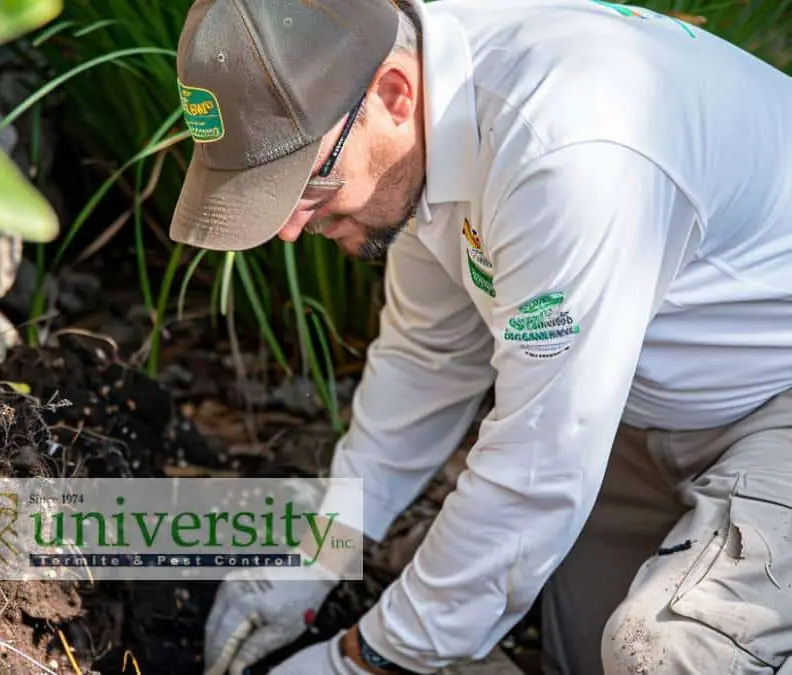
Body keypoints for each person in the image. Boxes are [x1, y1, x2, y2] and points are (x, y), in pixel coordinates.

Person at [168, 0, 792, 673]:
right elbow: (427, 353)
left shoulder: (567, 148)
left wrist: (366, 657)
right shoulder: (432, 113)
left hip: (775, 398)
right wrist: (327, 541)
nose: (289, 227)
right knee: (580, 657)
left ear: (394, 95)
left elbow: (540, 461)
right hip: (640, 408)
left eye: (309, 181)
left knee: (668, 653)